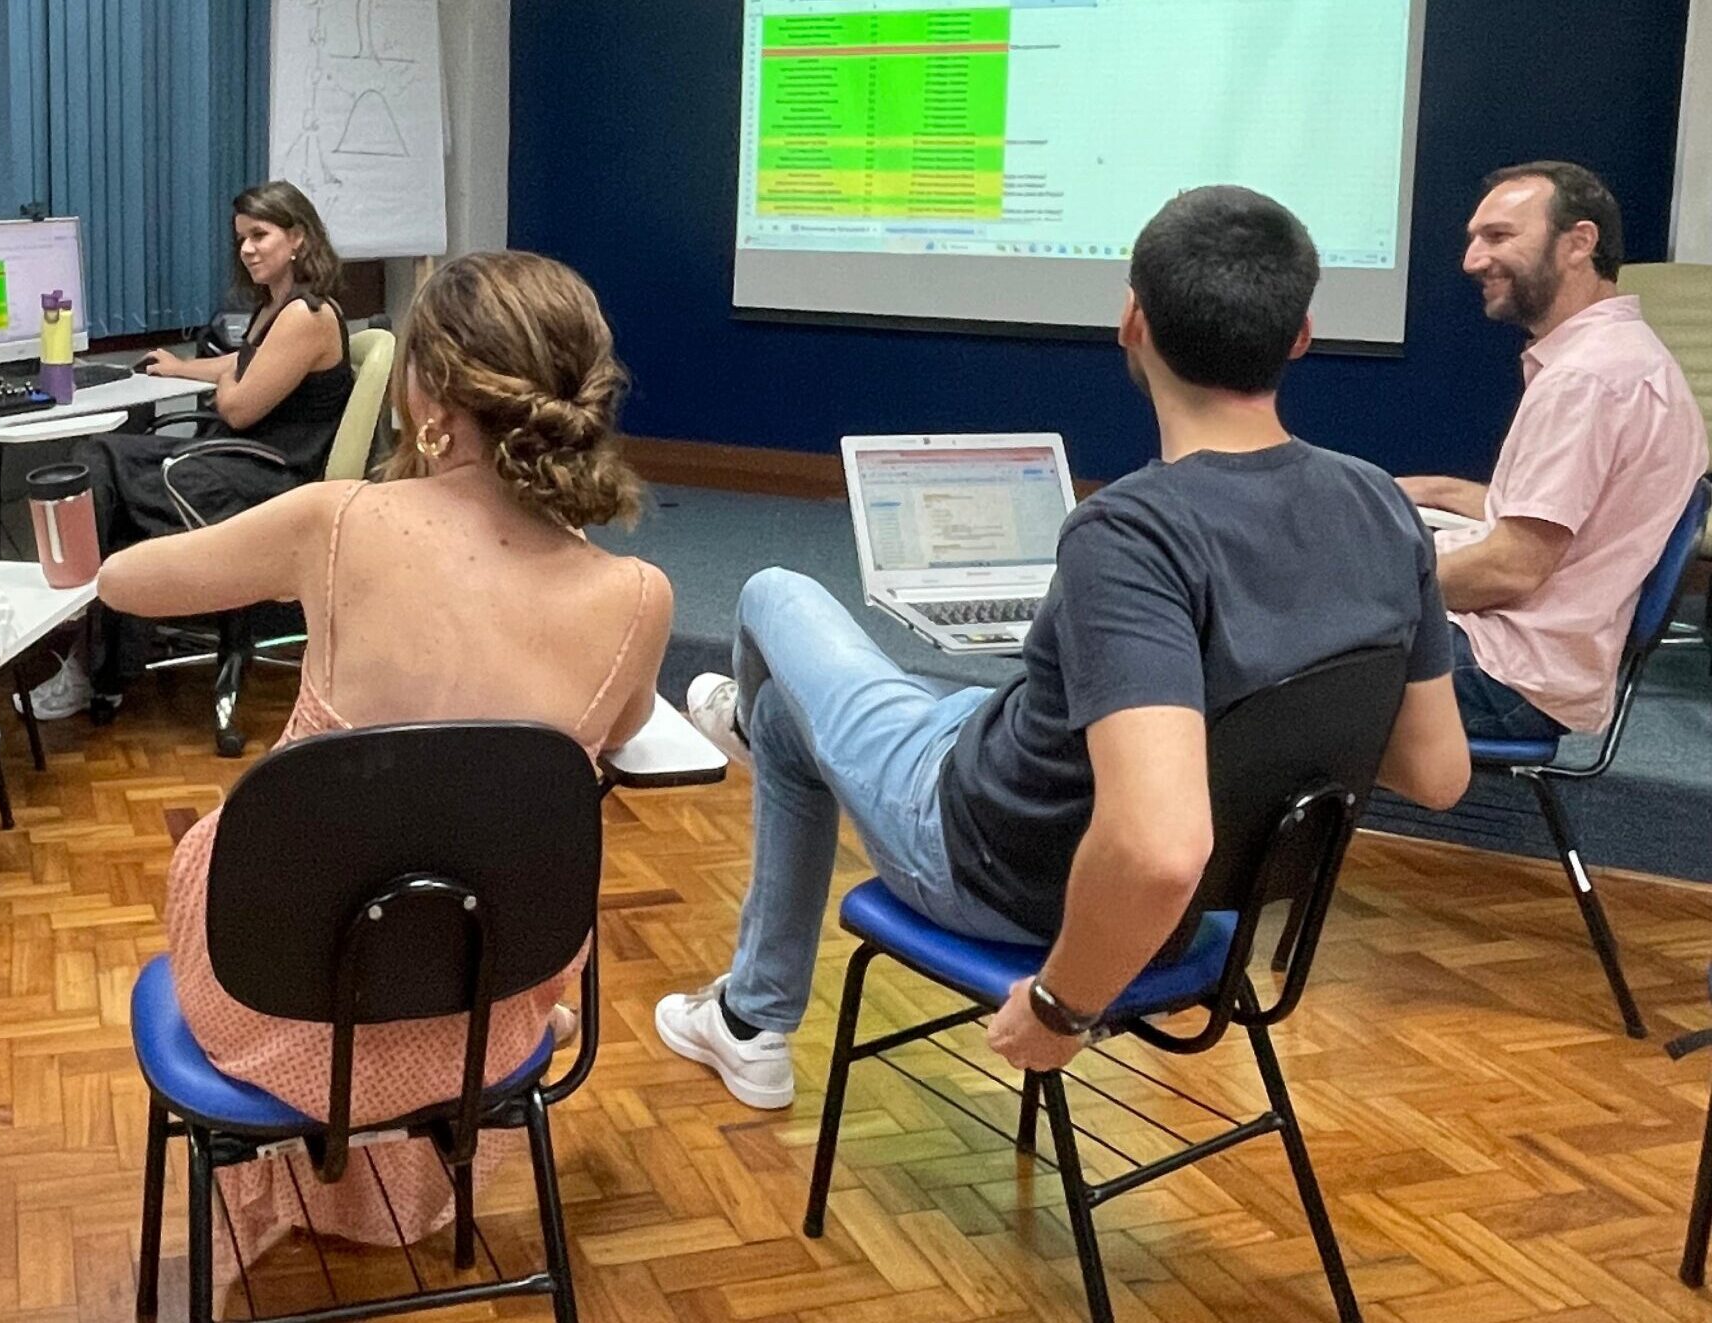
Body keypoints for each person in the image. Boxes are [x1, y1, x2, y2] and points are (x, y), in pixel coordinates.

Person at [657, 187, 1473, 1108]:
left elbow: (1160, 849)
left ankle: (752, 982)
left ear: (1132, 322)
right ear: (1301, 336)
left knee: (775, 597)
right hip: (1164, 880)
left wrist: (1060, 1007)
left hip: (998, 869)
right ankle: (749, 978)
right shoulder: (1380, 505)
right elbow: (1436, 770)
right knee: (896, 707)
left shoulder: (1130, 535)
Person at [98, 251, 672, 1259]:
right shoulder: (639, 597)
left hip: (276, 997)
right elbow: (615, 741)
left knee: (239, 849)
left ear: (428, 392)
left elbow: (123, 584)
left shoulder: (338, 522)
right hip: (488, 1004)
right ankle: (504, 1057)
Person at [1401, 161, 1705, 740]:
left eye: (1498, 237)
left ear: (1579, 242)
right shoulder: (1620, 357)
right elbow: (1552, 514)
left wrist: (1357, 582)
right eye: (1473, 239)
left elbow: (1510, 568)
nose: (1472, 261)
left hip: (1508, 673)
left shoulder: (1587, 380)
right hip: (1538, 656)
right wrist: (1427, 491)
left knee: (1265, 650)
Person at [38, 180, 356, 719]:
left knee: (106, 468)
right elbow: (245, 367)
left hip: (269, 480)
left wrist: (225, 382)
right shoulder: (275, 307)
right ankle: (98, 659)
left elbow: (237, 406)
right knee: (103, 462)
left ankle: (84, 645)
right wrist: (184, 368)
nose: (247, 249)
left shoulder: (307, 315)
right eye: (241, 239)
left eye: (261, 235)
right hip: (236, 462)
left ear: (298, 237)